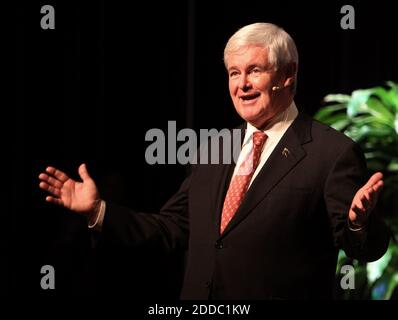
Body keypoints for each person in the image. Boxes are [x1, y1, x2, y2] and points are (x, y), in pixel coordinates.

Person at [38, 22, 389, 299]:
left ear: (287, 74)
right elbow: (173, 229)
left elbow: (364, 248)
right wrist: (99, 211)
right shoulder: (214, 148)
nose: (242, 85)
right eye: (234, 73)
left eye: (255, 70)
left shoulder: (331, 152)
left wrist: (359, 223)